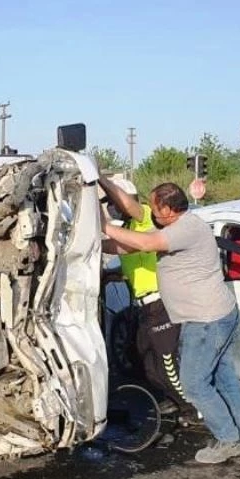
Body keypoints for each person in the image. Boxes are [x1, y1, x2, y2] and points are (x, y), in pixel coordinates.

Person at [101, 182, 240, 464]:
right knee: (225, 378)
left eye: (154, 207)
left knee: (194, 384)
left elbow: (144, 244)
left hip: (205, 321)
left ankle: (228, 439)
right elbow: (128, 247)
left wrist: (102, 226)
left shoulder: (186, 229)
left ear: (167, 210)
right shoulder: (177, 227)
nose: (150, 212)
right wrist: (92, 244)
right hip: (215, 315)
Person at [98, 174, 191, 417]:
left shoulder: (145, 216)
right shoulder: (127, 230)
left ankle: (192, 408)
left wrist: (100, 179)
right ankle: (171, 398)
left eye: (114, 203)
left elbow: (131, 209)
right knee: (148, 361)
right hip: (145, 308)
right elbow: (126, 252)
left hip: (160, 303)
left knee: (167, 362)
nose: (112, 208)